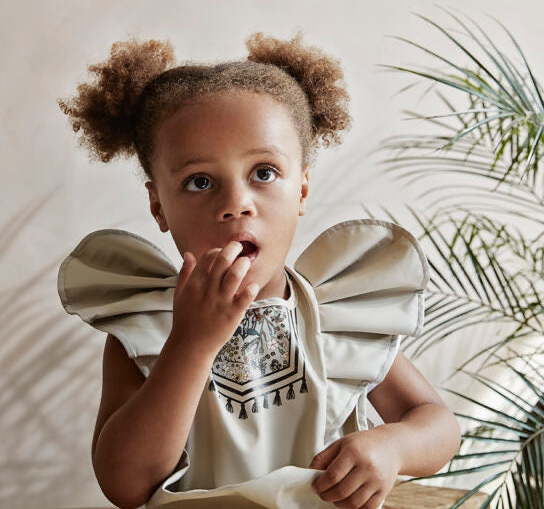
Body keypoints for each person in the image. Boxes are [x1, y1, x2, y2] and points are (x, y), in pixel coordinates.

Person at [56, 31, 461, 509]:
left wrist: (392, 447)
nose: (235, 205)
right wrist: (191, 342)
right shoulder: (147, 324)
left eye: (264, 173)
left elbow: (437, 424)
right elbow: (124, 486)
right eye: (200, 181)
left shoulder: (337, 309)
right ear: (158, 205)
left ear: (303, 190)